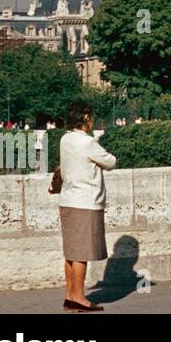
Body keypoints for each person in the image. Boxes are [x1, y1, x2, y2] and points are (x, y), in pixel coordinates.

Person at [56, 100, 117, 312]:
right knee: (81, 252)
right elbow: (110, 161)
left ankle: (69, 295)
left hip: (67, 200)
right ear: (85, 118)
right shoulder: (87, 142)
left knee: (71, 253)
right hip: (86, 201)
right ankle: (80, 298)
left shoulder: (65, 139)